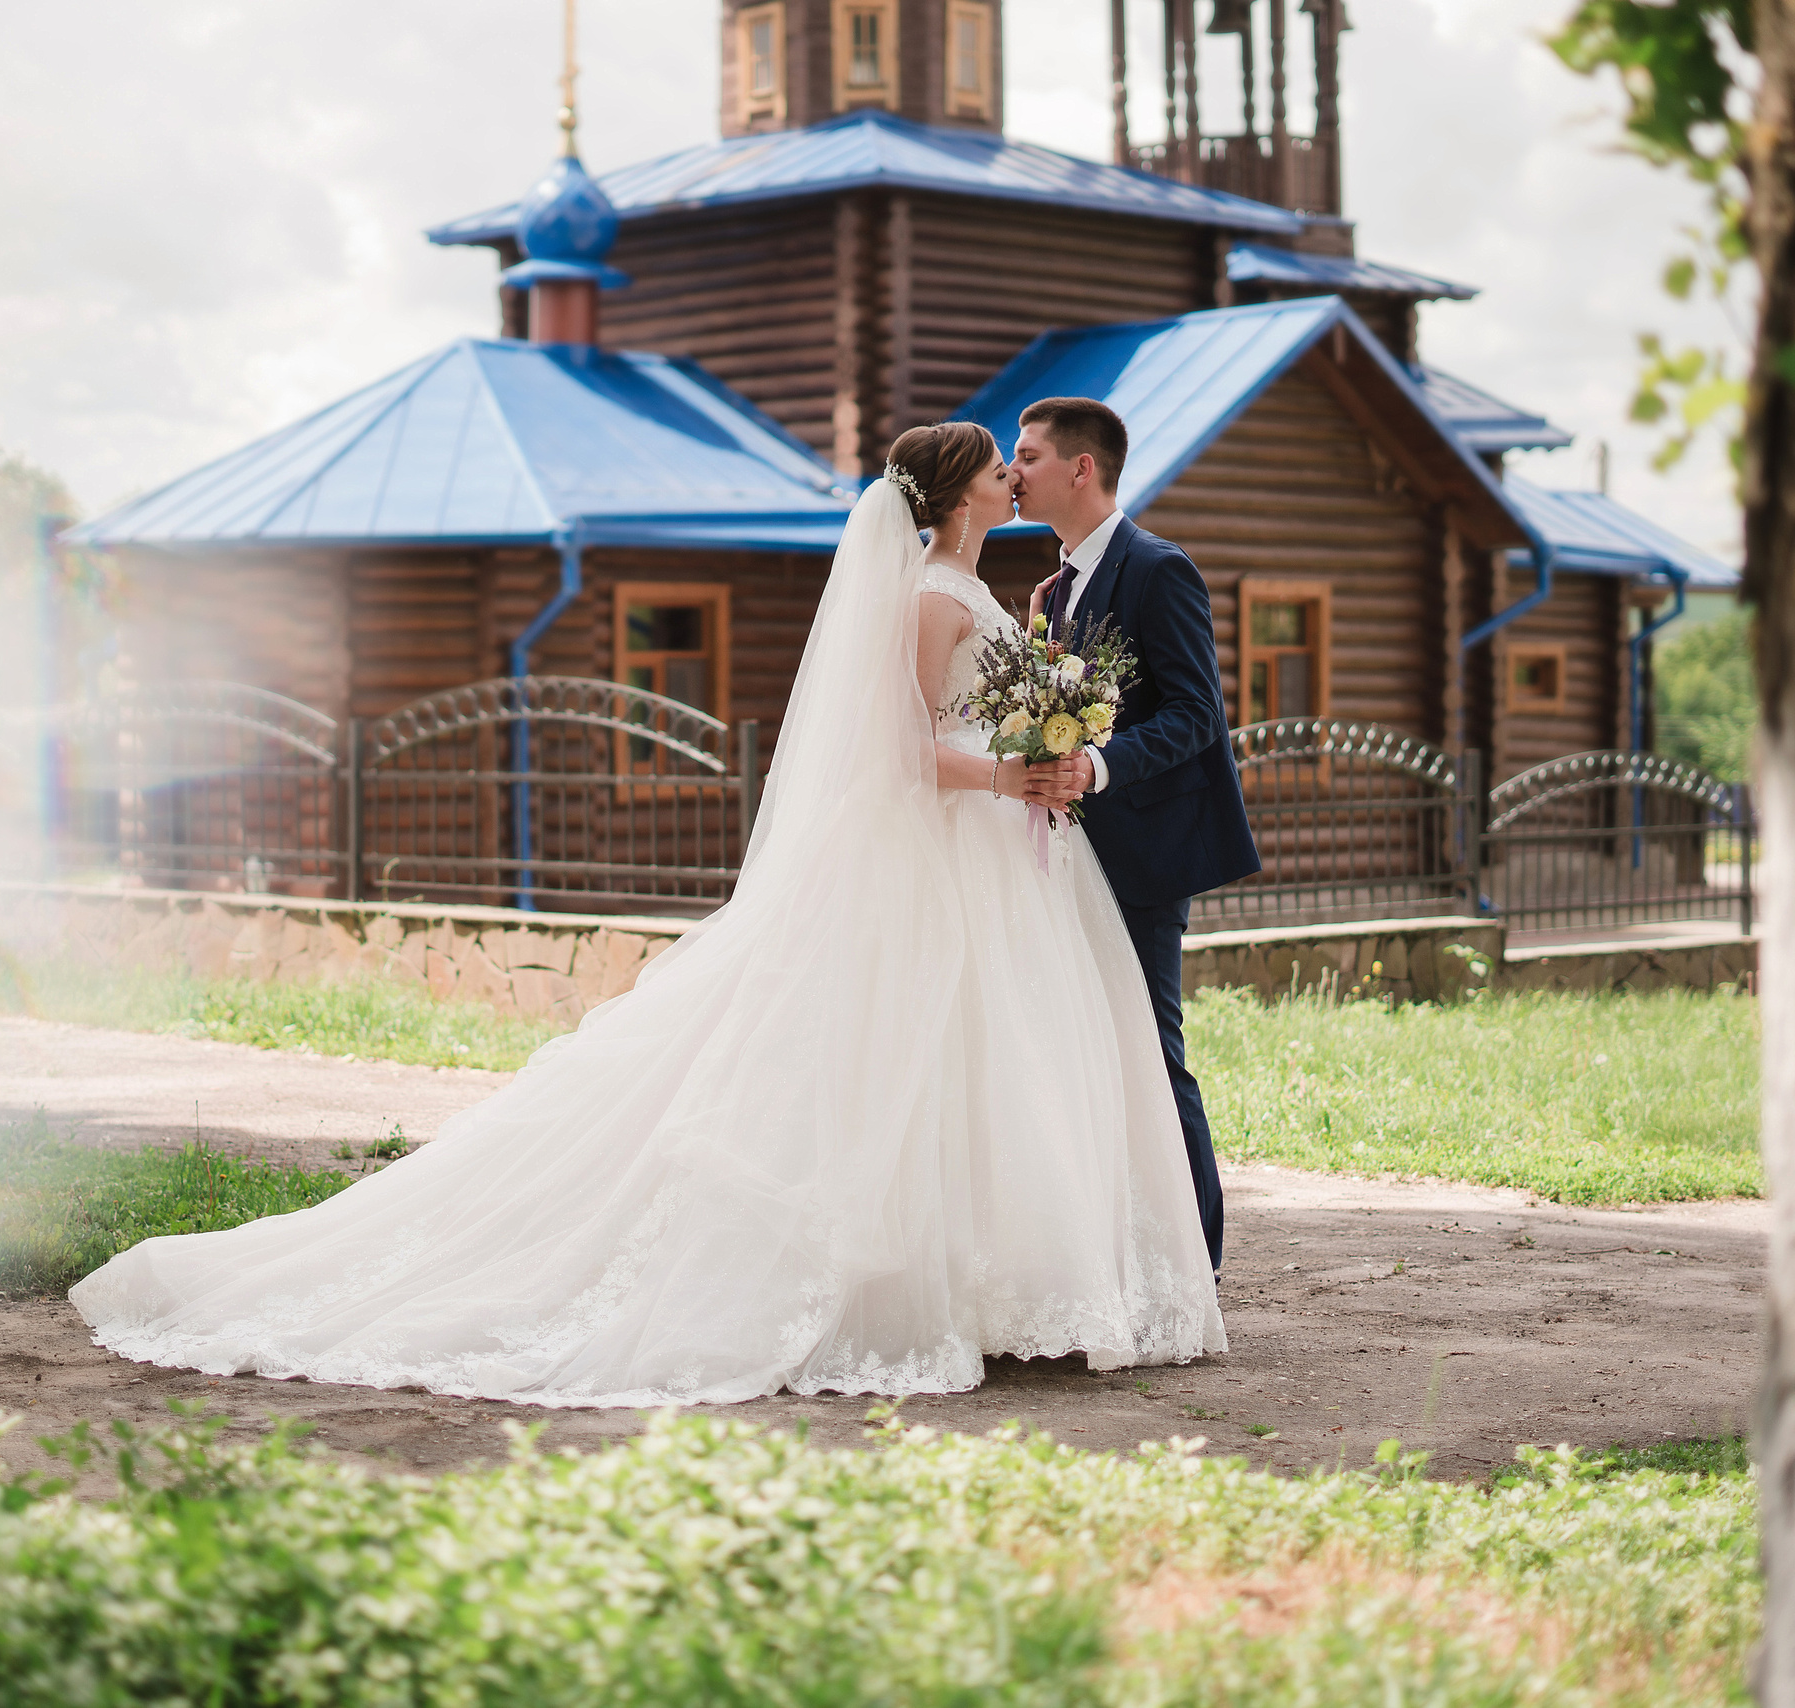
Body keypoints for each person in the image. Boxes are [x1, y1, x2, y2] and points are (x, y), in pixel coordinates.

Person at [70, 421, 1223, 1407]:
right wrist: (1010, 773)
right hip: (953, 843)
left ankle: (996, 1284)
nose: (1010, 477)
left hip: (995, 861)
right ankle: (905, 1284)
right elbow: (907, 751)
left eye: (1018, 462)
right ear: (957, 490)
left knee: (988, 1065)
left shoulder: (980, 586)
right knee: (909, 1057)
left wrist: (1046, 741)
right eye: (996, 466)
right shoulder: (928, 594)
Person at [1010, 397, 1261, 1273]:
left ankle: (1197, 1262)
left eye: (1029, 456)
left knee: (1151, 1054)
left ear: (1082, 469)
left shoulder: (1159, 569)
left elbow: (1197, 714)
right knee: (1077, 1050)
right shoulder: (1056, 585)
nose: (1014, 472)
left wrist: (1096, 765)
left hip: (1142, 857)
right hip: (1066, 856)